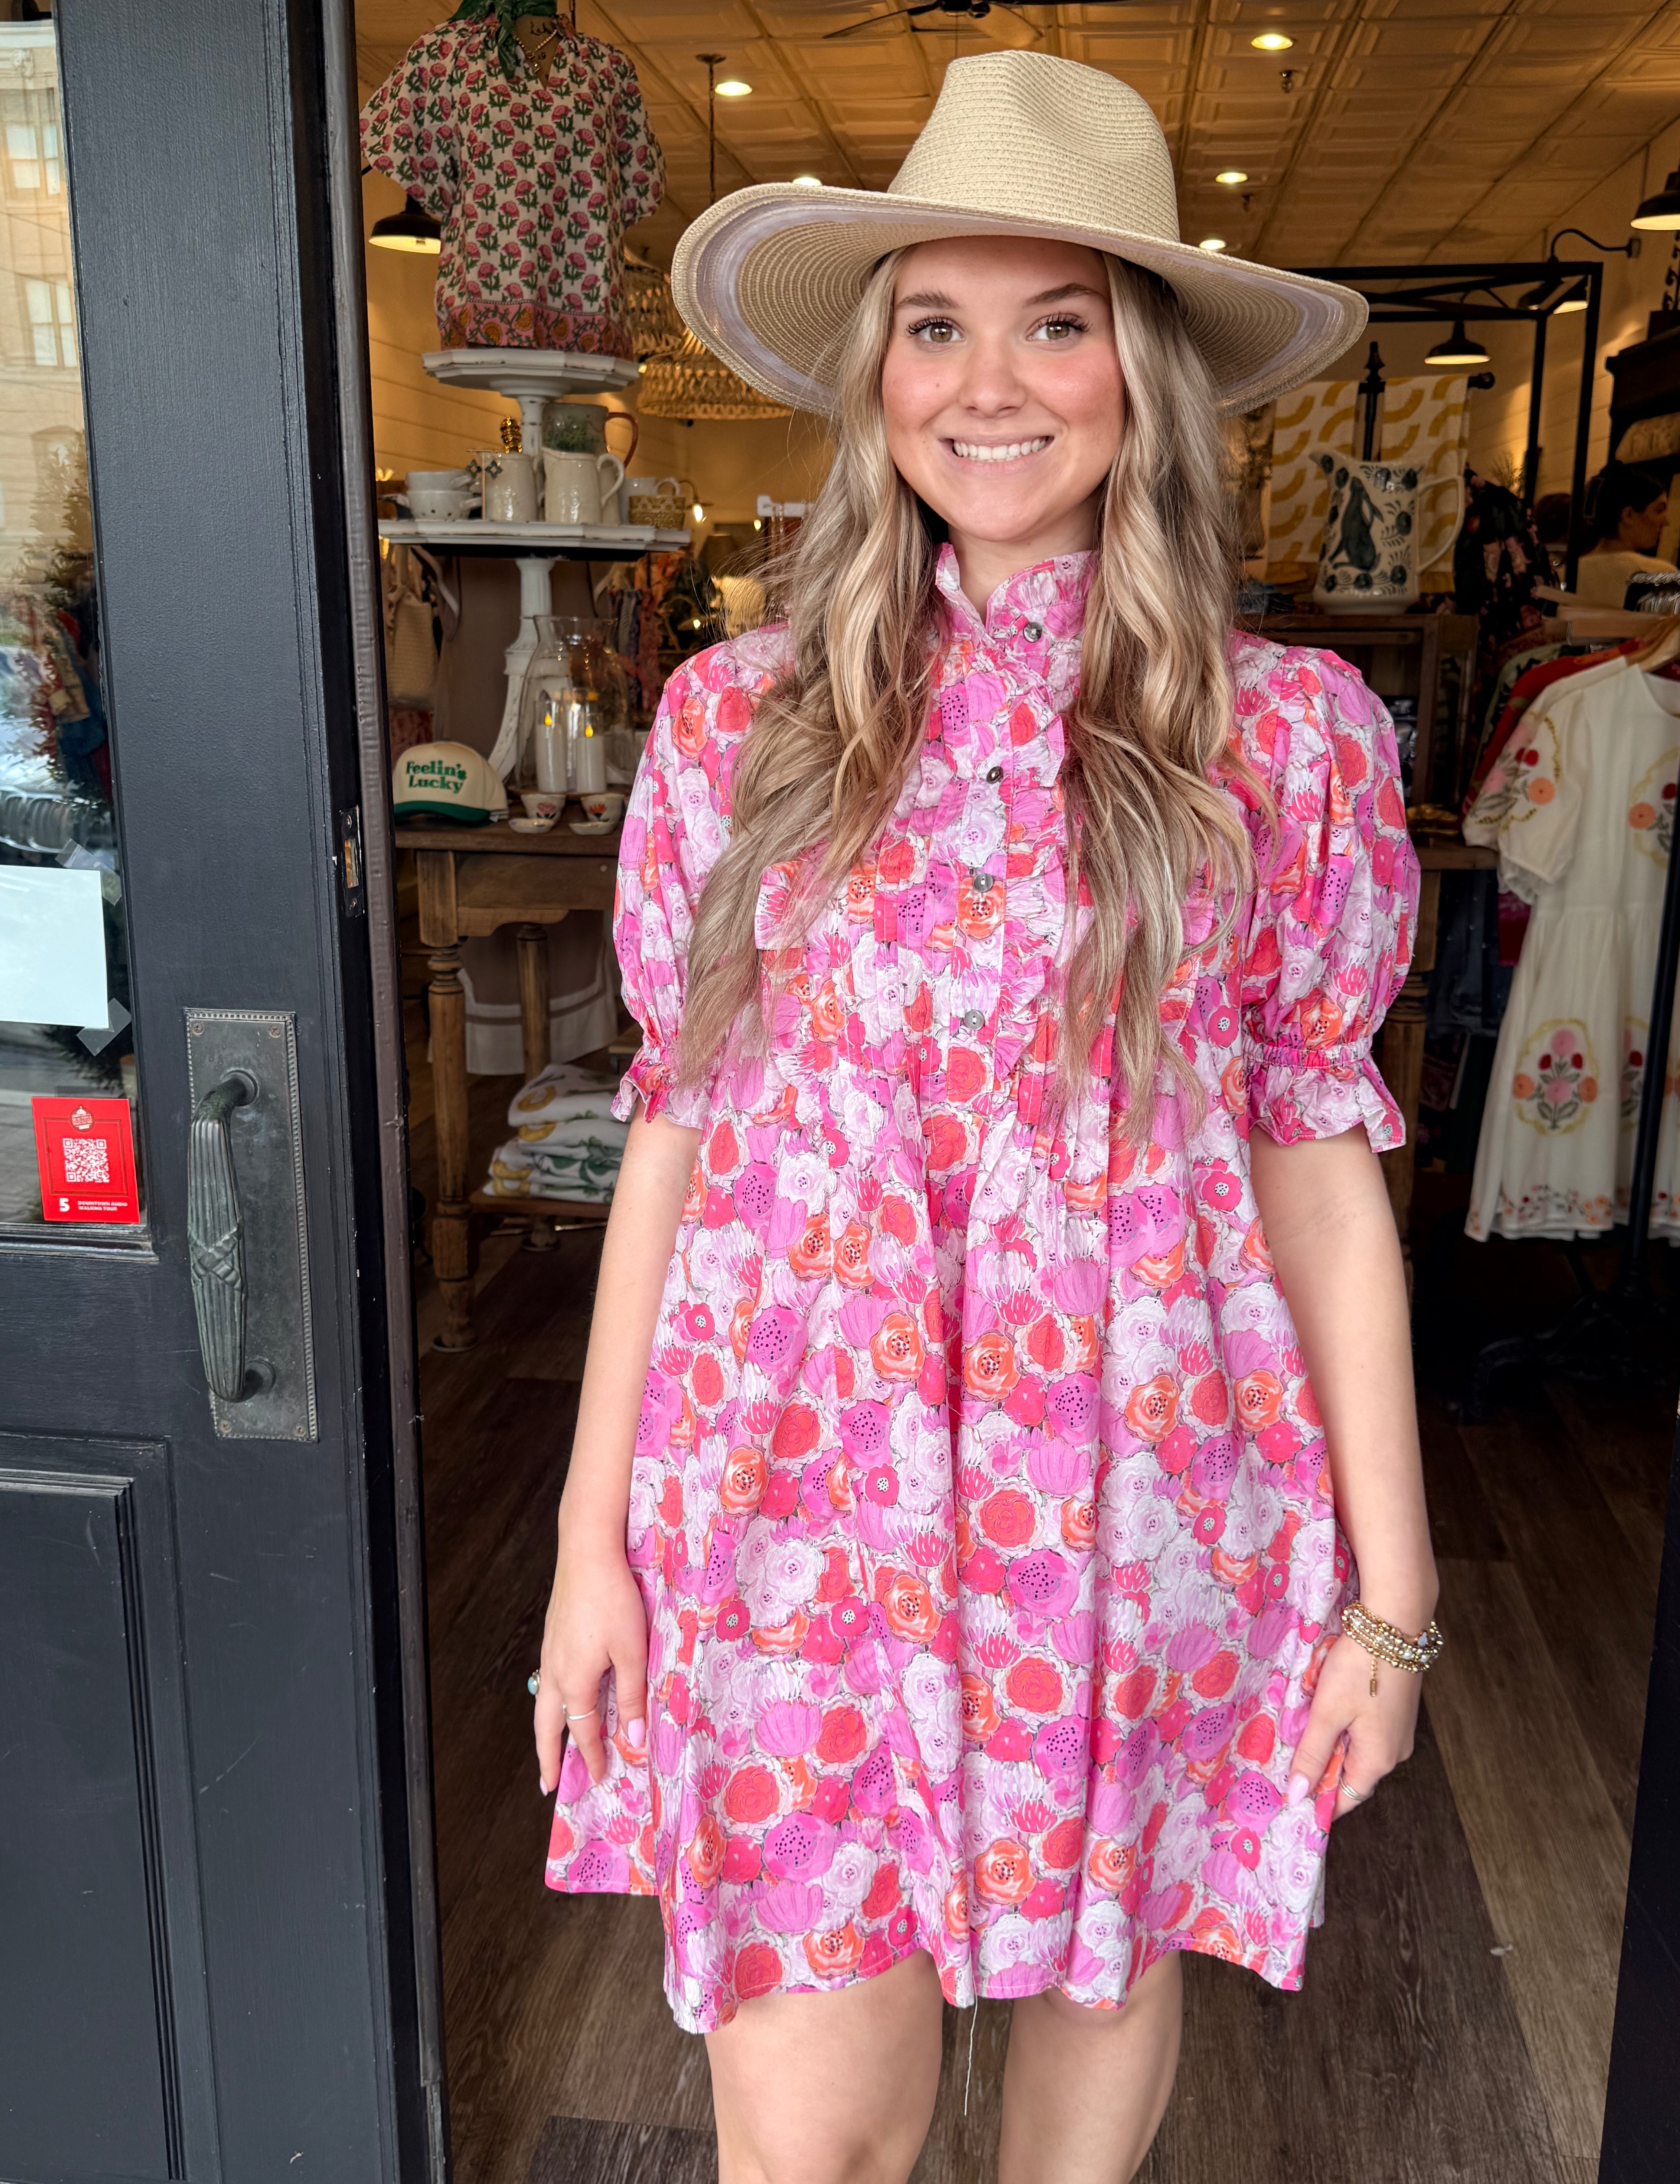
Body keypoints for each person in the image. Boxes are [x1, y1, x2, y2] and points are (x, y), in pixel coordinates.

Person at [533, 52, 1440, 2184]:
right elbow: (670, 1141)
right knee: (806, 2146)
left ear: (1141, 373)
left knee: (1078, 2100)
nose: (988, 383)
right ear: (872, 378)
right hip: (792, 1502)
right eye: (933, 324)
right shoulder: (733, 726)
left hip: (1133, 1502)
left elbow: (1315, 1180)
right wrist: (588, 1549)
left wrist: (1381, 1599)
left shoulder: (1281, 741)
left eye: (1056, 322)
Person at [1575, 460, 1676, 607]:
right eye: (1659, 510)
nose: (1665, 521)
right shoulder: (1660, 576)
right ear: (1628, 515)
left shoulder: (1565, 574)